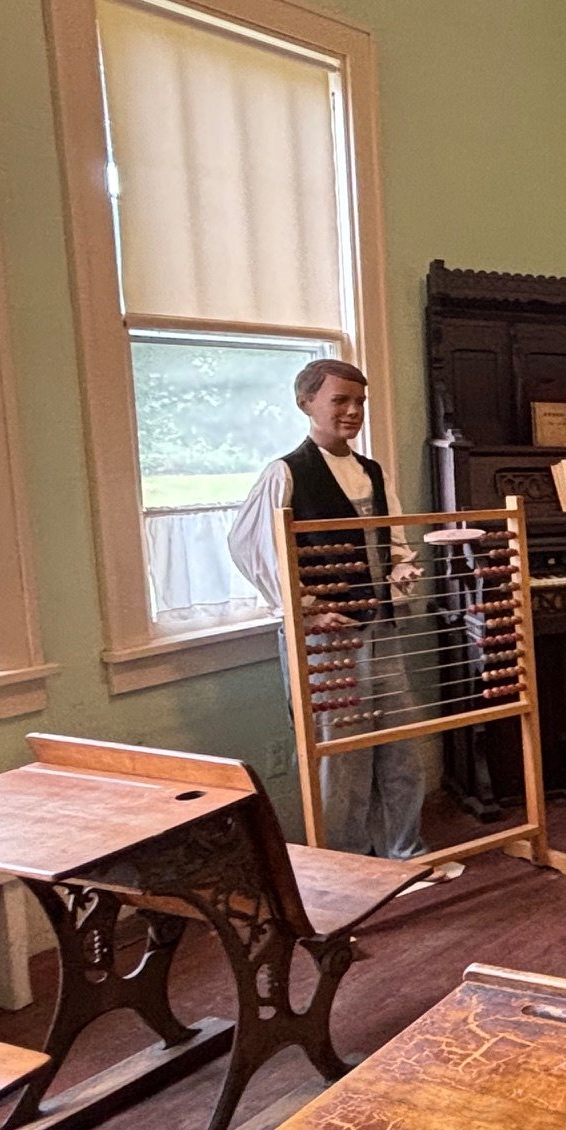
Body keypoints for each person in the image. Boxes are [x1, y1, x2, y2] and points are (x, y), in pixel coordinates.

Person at [228, 359, 427, 860]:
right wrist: (307, 607)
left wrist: (400, 569)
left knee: (401, 747)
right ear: (306, 403)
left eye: (360, 401)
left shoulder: (372, 472)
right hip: (328, 640)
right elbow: (252, 546)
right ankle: (348, 863)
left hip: (380, 626)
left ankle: (405, 853)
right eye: (340, 400)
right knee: (342, 757)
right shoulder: (286, 472)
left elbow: (392, 540)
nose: (353, 411)